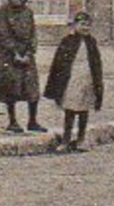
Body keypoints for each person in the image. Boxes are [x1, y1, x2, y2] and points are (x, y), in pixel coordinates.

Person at [0, 0, 44, 134]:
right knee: (11, 88)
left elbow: (33, 33)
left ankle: (33, 121)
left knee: (32, 89)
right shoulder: (4, 11)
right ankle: (12, 121)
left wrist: (29, 52)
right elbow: (3, 34)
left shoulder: (28, 12)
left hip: (26, 54)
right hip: (8, 55)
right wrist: (15, 53)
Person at [43, 11, 104, 152]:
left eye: (88, 25)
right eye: (82, 24)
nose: (85, 28)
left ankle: (81, 139)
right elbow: (58, 63)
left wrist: (97, 83)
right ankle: (66, 139)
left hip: (86, 79)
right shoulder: (67, 41)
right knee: (70, 110)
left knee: (83, 110)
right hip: (71, 79)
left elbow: (96, 63)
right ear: (75, 25)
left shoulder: (91, 42)